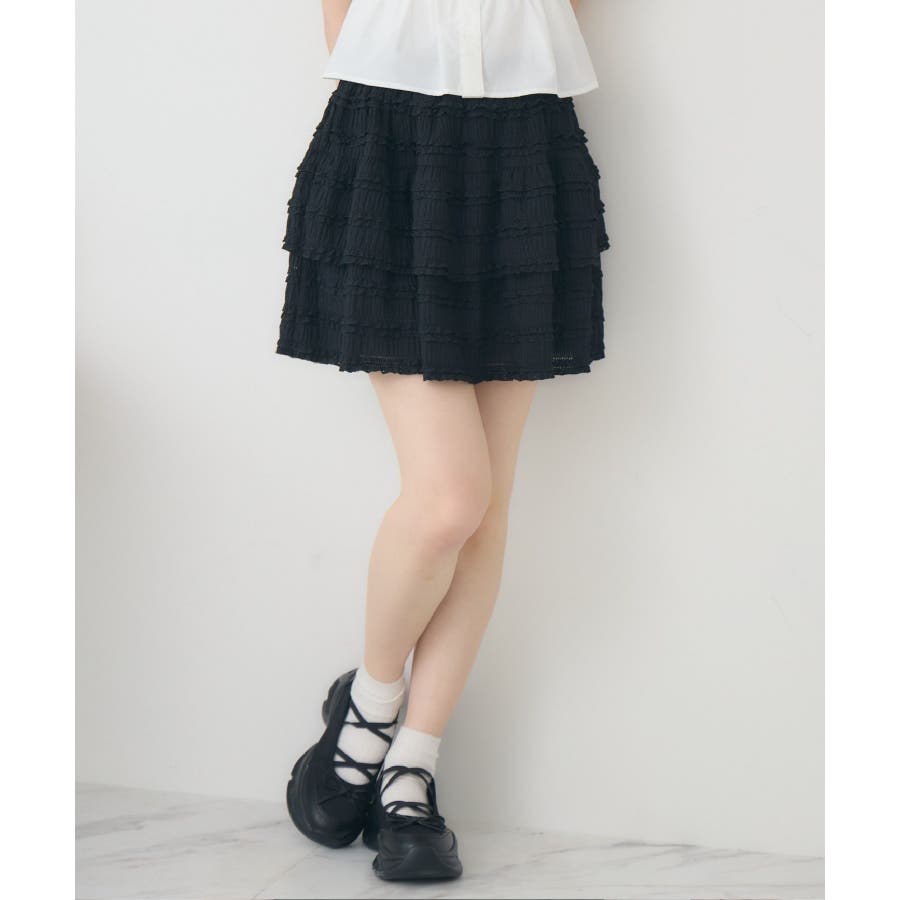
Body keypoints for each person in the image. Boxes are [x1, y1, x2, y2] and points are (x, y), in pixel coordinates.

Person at [279, 0, 610, 882]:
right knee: (450, 499)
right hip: (390, 136)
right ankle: (369, 706)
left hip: (526, 138)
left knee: (488, 505)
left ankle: (411, 768)